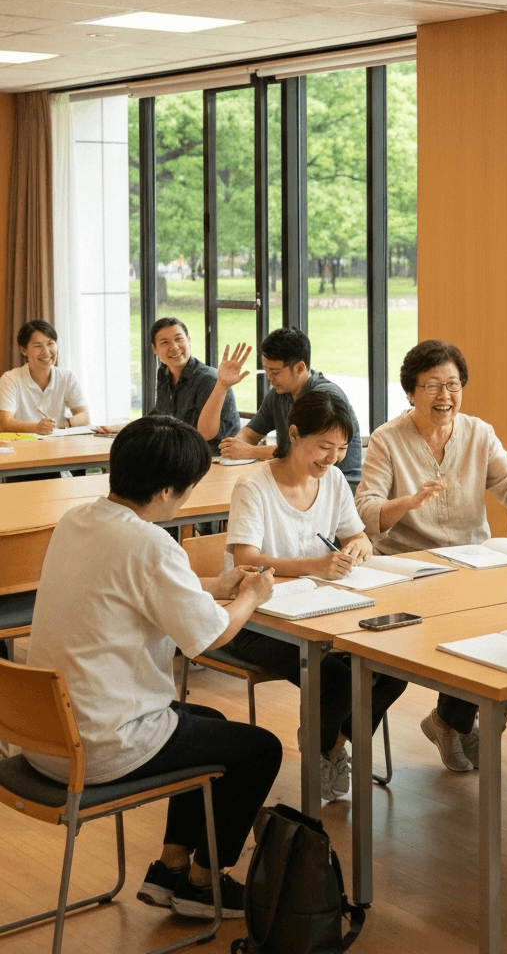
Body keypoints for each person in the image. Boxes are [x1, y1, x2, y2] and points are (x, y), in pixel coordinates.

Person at [25, 416, 282, 919]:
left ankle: (171, 869)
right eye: (186, 491)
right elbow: (210, 636)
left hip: (45, 736)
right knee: (260, 749)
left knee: (209, 724)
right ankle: (206, 884)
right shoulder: (149, 543)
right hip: (100, 745)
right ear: (166, 491)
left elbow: (127, 588)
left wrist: (212, 586)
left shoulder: (77, 521)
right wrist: (251, 595)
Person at [355, 338, 507, 772]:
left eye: (453, 385)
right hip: (408, 571)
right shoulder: (386, 440)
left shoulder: (478, 433)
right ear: (411, 392)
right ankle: (453, 723)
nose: (445, 396)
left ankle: (450, 721)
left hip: (473, 566)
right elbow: (365, 509)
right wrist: (408, 503)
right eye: (432, 386)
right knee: (449, 635)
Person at [221, 389, 406, 803]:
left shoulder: (335, 480)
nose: (332, 459)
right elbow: (247, 558)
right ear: (293, 434)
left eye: (341, 449)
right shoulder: (254, 485)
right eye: (324, 447)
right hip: (255, 617)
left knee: (396, 664)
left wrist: (359, 546)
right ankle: (326, 748)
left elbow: (356, 533)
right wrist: (317, 566)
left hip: (320, 611)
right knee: (336, 679)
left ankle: (330, 743)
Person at [219, 326, 362, 488]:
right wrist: (234, 448)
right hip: (299, 481)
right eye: (266, 370)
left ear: (300, 368)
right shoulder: (279, 394)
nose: (269, 378)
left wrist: (250, 451)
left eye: (275, 371)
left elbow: (304, 451)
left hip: (339, 483)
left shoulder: (325, 397)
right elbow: (250, 433)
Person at [149, 317, 244, 454]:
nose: (174, 347)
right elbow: (161, 414)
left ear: (188, 340)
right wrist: (129, 428)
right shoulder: (164, 372)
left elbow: (205, 435)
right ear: (155, 349)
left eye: (179, 339)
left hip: (213, 457)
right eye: (165, 342)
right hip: (179, 452)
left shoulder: (209, 379)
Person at [0, 319, 89, 434]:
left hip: (58, 444)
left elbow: (85, 416)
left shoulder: (67, 377)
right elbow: (5, 422)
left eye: (50, 343)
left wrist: (63, 423)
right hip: (23, 445)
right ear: (23, 350)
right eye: (38, 346)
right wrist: (37, 427)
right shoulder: (10, 378)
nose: (46, 351)